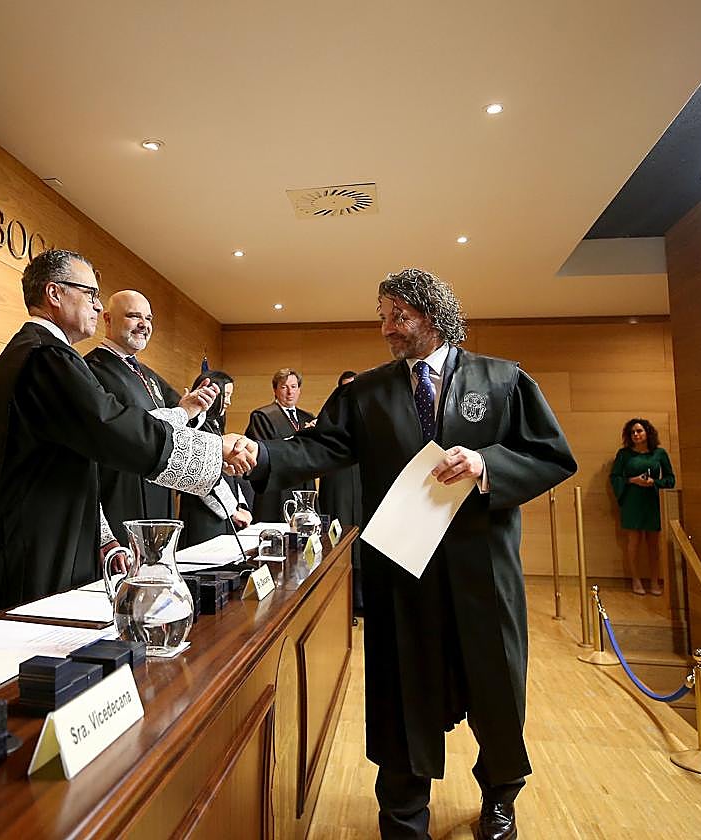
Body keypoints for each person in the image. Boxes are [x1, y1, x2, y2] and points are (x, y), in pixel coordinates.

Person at [242, 268, 575, 840]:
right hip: (401, 571)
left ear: (434, 314)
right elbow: (319, 446)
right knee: (402, 697)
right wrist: (260, 455)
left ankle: (500, 795)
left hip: (482, 570)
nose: (387, 328)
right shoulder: (366, 393)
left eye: (399, 315)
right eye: (382, 316)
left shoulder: (503, 380)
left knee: (496, 687)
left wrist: (486, 464)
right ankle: (402, 815)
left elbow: (551, 455)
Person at [0, 250, 252, 622]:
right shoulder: (47, 357)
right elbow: (114, 428)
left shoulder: (41, 351)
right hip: (28, 550)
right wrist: (213, 449)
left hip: (40, 539)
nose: (97, 305)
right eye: (90, 294)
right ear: (54, 293)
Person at [85, 290, 218, 544]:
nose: (144, 325)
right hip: (120, 497)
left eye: (148, 318)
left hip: (158, 491)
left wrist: (196, 406)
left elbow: (179, 418)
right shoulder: (92, 369)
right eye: (134, 316)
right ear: (108, 319)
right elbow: (133, 427)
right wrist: (184, 411)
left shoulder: (147, 374)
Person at [178, 370, 253, 547]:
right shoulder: (194, 425)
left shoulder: (214, 424)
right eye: (226, 396)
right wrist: (232, 511)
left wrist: (240, 506)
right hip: (203, 517)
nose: (228, 402)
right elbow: (201, 476)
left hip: (225, 515)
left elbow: (230, 475)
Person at [610, 418, 676, 596]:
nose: (636, 434)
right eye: (632, 432)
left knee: (654, 544)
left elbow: (670, 479)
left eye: (639, 431)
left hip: (652, 500)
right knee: (634, 542)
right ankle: (636, 580)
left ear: (647, 432)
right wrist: (632, 480)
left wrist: (655, 482)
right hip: (632, 501)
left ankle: (655, 581)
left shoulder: (659, 453)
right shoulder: (624, 454)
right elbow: (615, 477)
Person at [316, 370, 363, 617]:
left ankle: (362, 601)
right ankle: (343, 604)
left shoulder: (370, 422)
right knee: (340, 541)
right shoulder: (329, 426)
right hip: (338, 487)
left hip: (362, 487)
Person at [245, 368, 316, 522]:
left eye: (294, 387)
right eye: (284, 387)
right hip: (277, 489)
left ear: (299, 390)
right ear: (275, 390)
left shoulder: (308, 417)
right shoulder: (262, 416)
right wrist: (301, 435)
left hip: (304, 486)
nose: (290, 392)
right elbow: (264, 452)